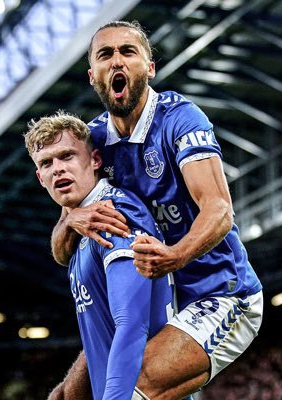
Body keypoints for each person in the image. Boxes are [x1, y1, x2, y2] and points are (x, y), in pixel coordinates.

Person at [49, 20, 263, 400]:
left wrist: (175, 256)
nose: (117, 61)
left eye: (127, 52)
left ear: (148, 69)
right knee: (68, 395)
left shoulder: (179, 119)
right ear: (92, 75)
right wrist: (72, 219)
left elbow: (218, 209)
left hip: (219, 294)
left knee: (133, 384)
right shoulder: (93, 141)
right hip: (152, 298)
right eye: (105, 54)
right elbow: (61, 250)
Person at [23, 110, 176, 400]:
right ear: (40, 178)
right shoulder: (81, 225)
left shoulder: (112, 216)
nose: (57, 169)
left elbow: (131, 324)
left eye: (67, 156)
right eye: (46, 163)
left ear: (95, 160)